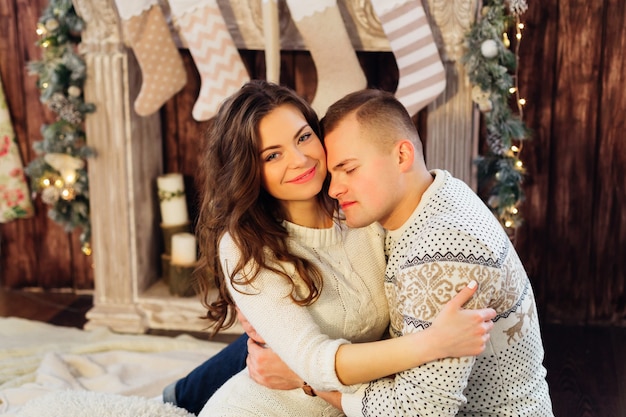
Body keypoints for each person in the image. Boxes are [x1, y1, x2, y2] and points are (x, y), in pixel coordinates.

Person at [172, 80, 495, 417]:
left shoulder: (364, 212)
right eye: (272, 155)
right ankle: (176, 398)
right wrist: (432, 343)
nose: (299, 160)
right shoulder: (245, 247)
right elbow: (314, 360)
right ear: (249, 170)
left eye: (303, 137)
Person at [273, 88, 551, 415]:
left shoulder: (446, 249)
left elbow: (419, 410)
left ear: (402, 156)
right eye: (333, 174)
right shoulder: (434, 192)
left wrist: (306, 380)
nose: (334, 189)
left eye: (349, 169)